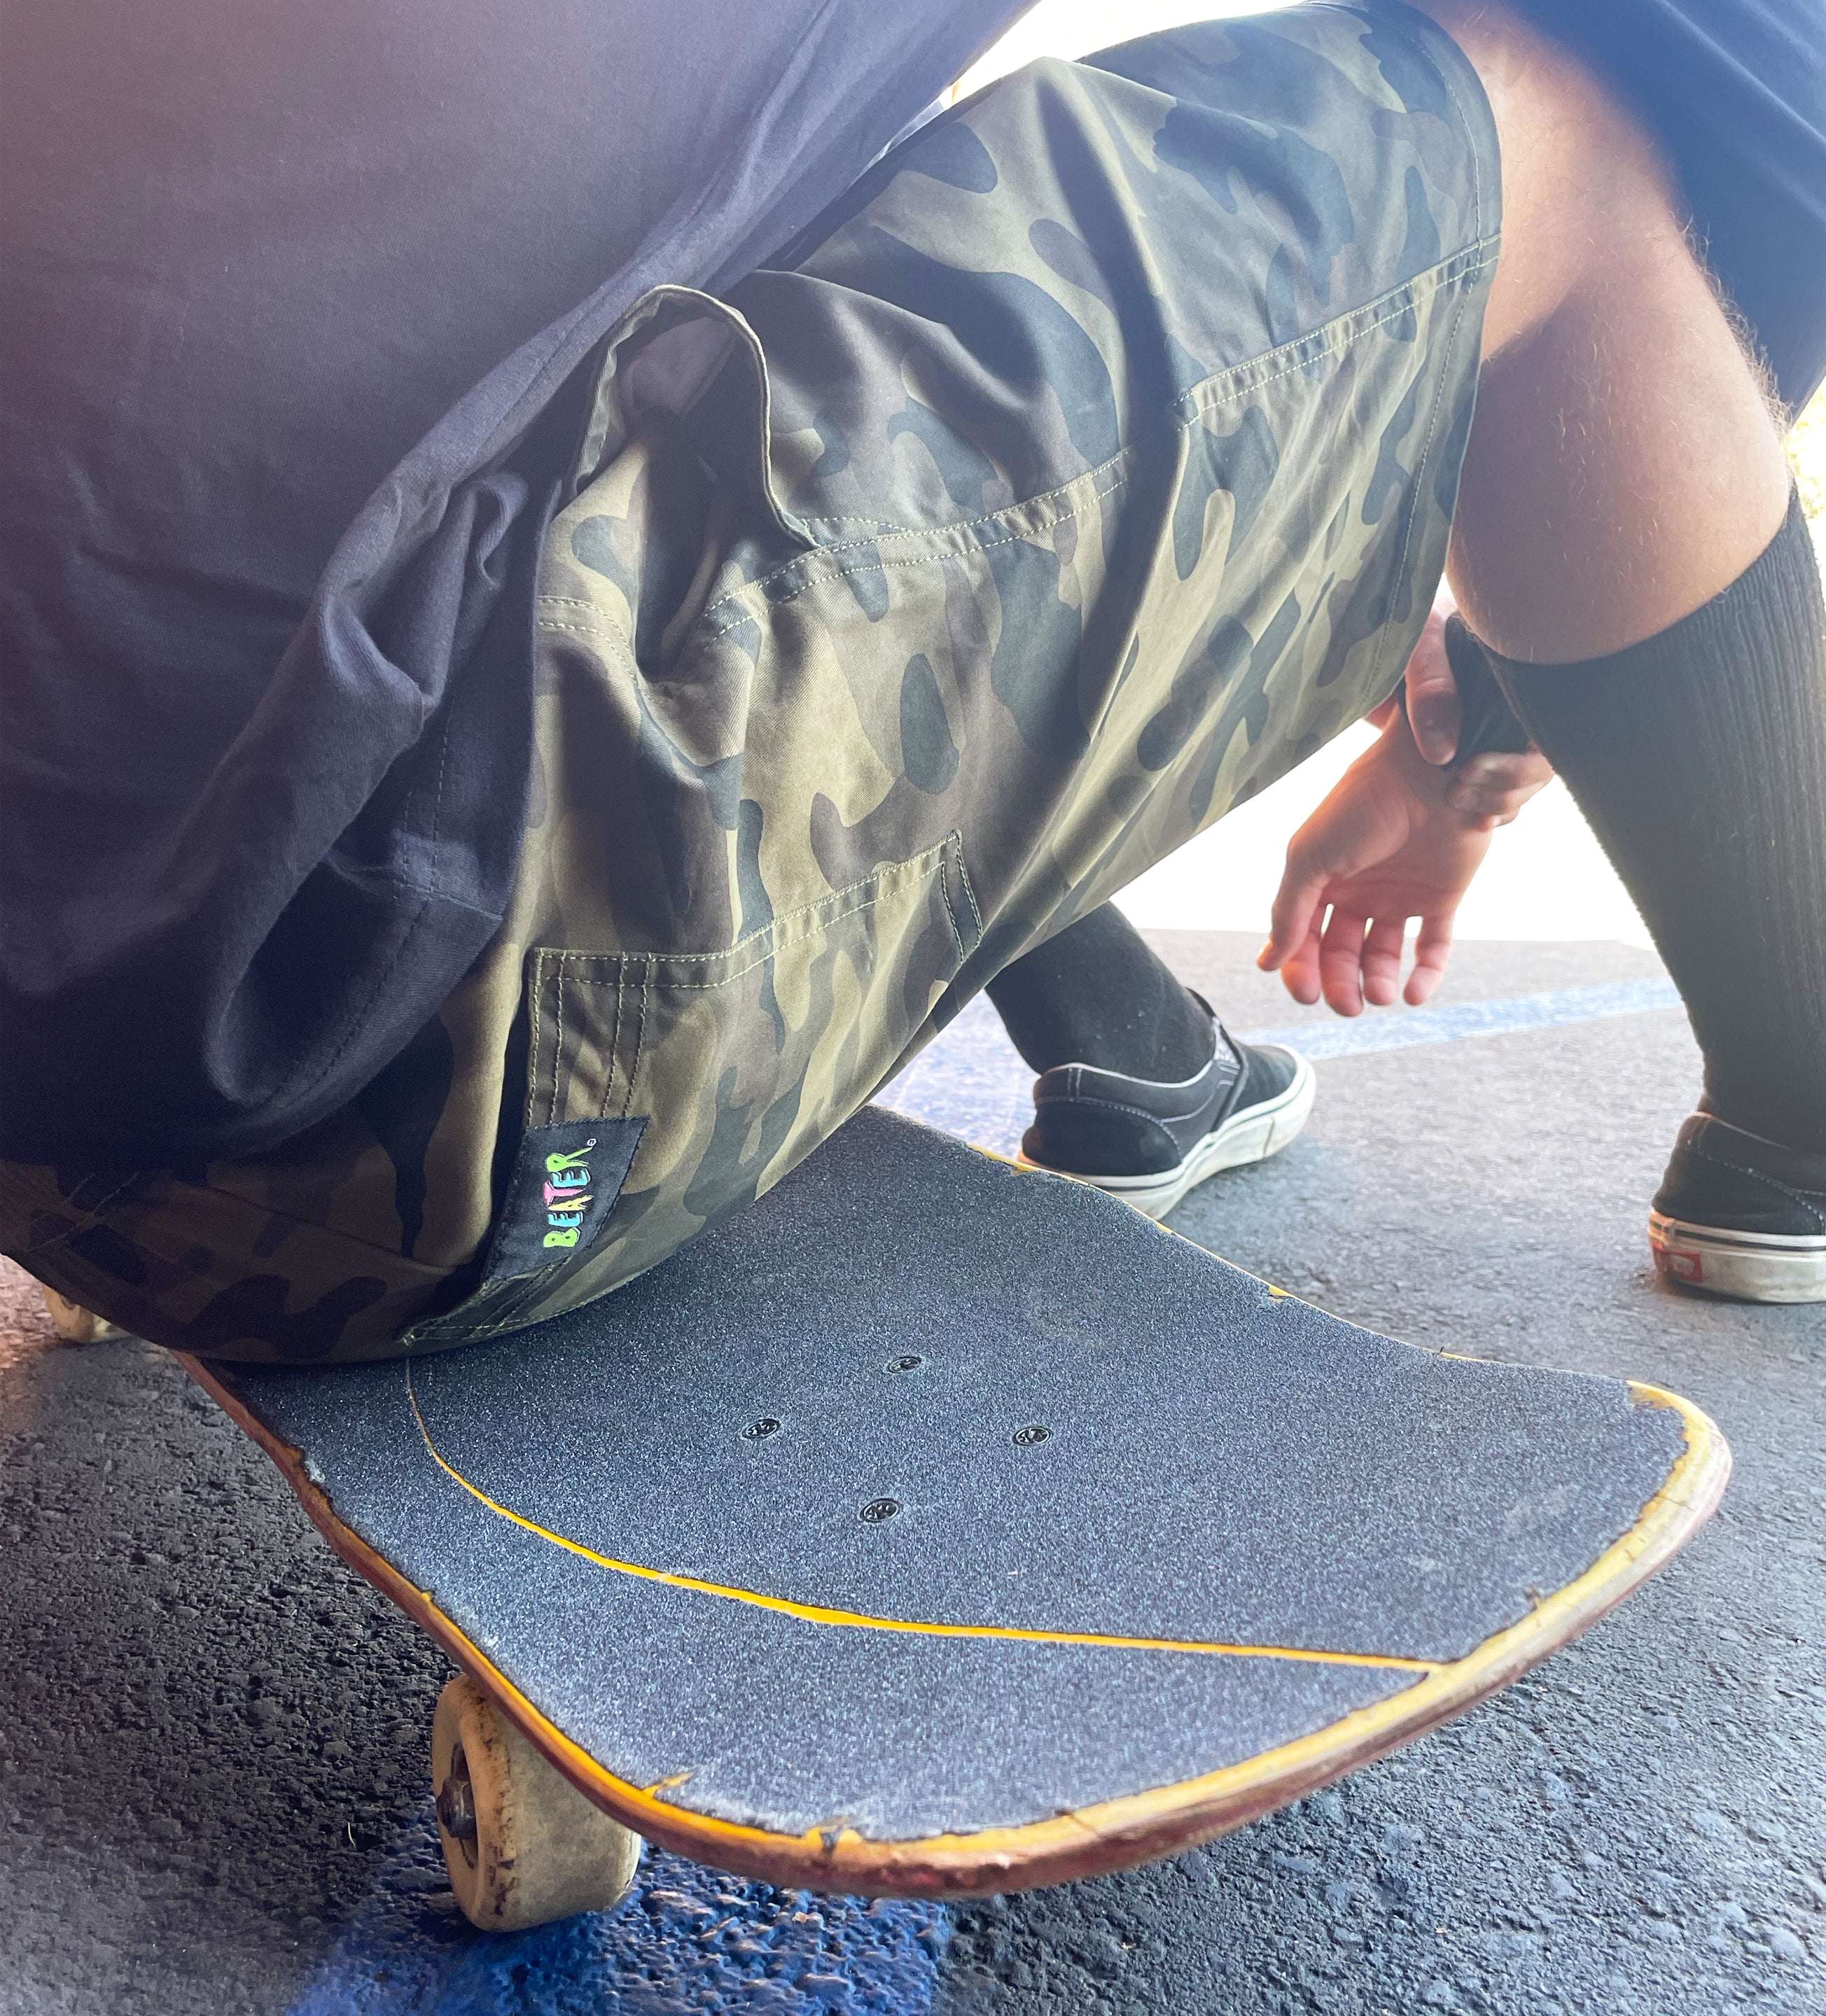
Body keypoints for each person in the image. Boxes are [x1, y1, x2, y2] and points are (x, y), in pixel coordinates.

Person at [3, 0, 1822, 1362]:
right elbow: (1756, 128)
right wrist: (1479, 737)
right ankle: (1805, 1112)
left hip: (51, 1145)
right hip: (412, 1132)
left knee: (805, 148)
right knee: (1549, 135)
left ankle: (1127, 1046)